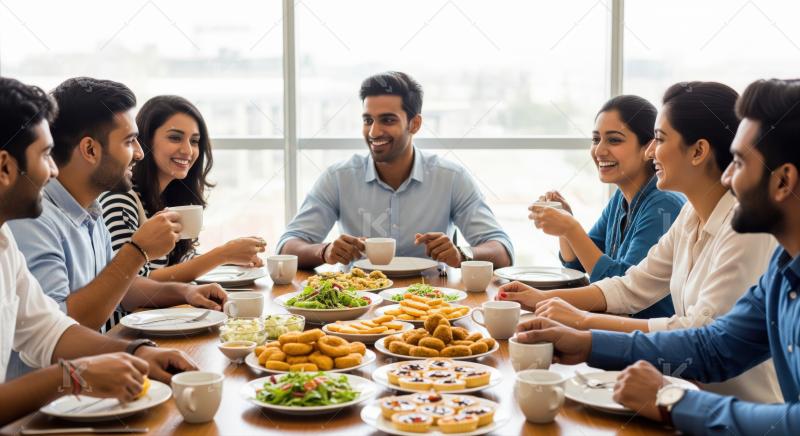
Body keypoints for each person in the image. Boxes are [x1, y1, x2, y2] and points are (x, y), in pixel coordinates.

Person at [515, 78, 800, 435]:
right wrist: (587, 342)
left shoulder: (745, 234)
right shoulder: (782, 267)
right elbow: (715, 346)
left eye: (739, 163)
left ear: (783, 181)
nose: (729, 175)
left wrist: (672, 401)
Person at [0, 77, 198, 425]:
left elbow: (47, 329)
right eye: (45, 156)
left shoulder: (4, 242)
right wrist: (77, 376)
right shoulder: (29, 223)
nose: (54, 170)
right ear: (4, 168)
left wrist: (136, 351)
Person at [277, 71, 513, 269]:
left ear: (415, 124)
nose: (374, 132)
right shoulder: (338, 178)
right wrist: (325, 251)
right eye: (368, 120)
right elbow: (287, 246)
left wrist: (462, 255)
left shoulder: (451, 178)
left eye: (387, 120)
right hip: (358, 308)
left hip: (432, 304)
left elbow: (501, 250)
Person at [531, 95, 684, 318]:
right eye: (596, 139)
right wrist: (565, 227)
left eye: (614, 140)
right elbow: (578, 265)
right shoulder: (620, 198)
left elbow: (620, 287)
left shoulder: (663, 205)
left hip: (645, 337)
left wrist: (571, 228)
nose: (599, 151)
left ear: (648, 147)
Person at [99, 95, 266, 282]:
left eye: (194, 141)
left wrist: (232, 258)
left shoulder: (171, 195)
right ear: (145, 140)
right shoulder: (120, 198)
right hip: (139, 312)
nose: (187, 150)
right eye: (175, 138)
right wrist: (223, 254)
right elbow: (133, 282)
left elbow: (179, 262)